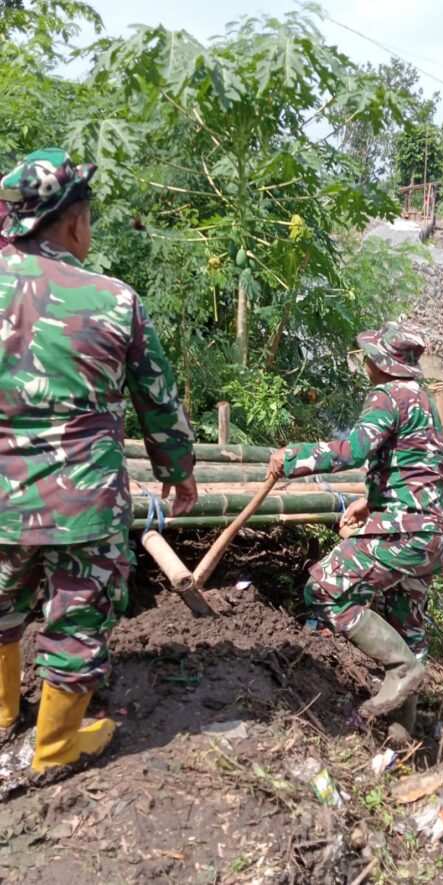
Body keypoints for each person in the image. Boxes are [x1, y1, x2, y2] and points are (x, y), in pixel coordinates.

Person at [0, 148, 198, 772]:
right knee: (77, 618)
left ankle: (3, 714)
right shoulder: (113, 300)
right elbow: (157, 398)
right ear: (73, 221)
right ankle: (55, 747)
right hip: (84, 501)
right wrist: (177, 473)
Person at [268, 322, 443, 729]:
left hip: (404, 533)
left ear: (381, 363)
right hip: (435, 536)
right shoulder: (421, 400)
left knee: (325, 588)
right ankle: (403, 730)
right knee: (410, 629)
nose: (365, 363)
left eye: (369, 356)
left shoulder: (387, 395)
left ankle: (400, 670)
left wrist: (293, 458)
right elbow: (423, 469)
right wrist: (371, 503)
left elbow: (353, 450)